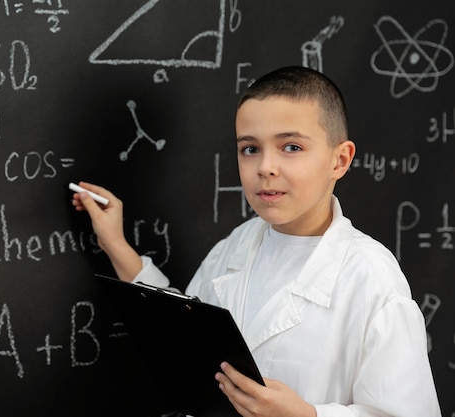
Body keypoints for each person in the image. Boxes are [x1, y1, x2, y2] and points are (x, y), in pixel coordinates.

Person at [70, 66, 441, 416]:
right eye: (250, 148)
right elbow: (186, 329)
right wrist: (116, 244)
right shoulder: (239, 243)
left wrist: (309, 416)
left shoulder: (372, 279)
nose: (265, 167)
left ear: (339, 160)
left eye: (291, 147)